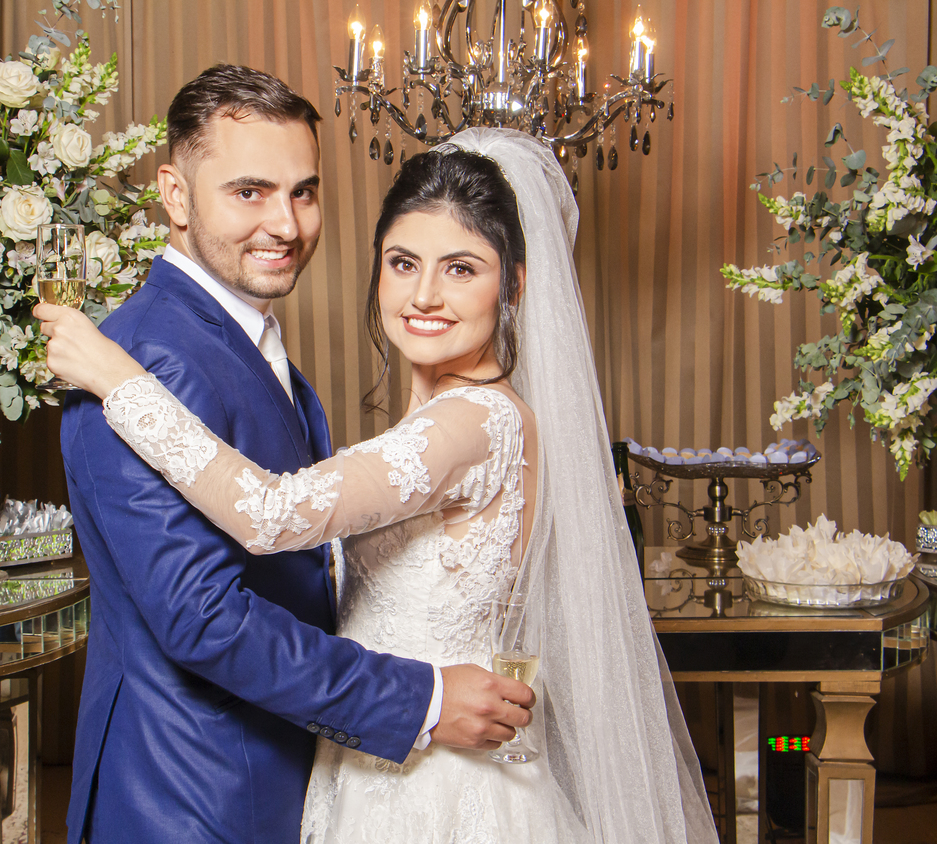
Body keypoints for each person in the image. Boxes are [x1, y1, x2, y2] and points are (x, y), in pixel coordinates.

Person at [39, 128, 718, 843]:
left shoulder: (472, 423)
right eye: (403, 263)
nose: (425, 295)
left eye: (461, 269)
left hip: (436, 783)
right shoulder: (434, 420)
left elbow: (270, 514)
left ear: (514, 285)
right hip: (369, 760)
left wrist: (119, 380)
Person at [58, 66, 536, 844]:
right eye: (249, 192)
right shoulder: (148, 358)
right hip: (196, 794)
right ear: (175, 196)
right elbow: (203, 619)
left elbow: (304, 561)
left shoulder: (239, 343)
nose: (284, 223)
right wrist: (420, 700)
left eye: (303, 192)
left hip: (303, 774)